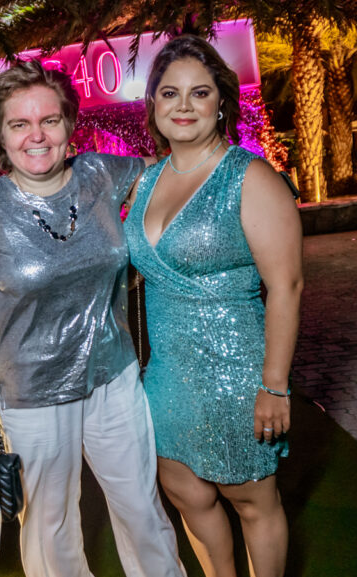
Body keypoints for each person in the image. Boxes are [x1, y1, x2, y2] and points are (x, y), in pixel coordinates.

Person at [0, 59, 185, 577]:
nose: (36, 136)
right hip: (33, 391)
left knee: (141, 511)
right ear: (1, 134)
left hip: (113, 375)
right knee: (50, 527)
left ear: (70, 124)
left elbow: (180, 176)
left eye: (50, 120)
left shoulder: (102, 173)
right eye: (19, 124)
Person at [123, 35, 303, 577]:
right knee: (187, 496)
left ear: (220, 102)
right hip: (170, 376)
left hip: (238, 375)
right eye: (170, 93)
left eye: (199, 93)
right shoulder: (148, 179)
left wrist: (274, 385)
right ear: (152, 104)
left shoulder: (250, 177)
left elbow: (288, 287)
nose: (183, 106)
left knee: (253, 501)